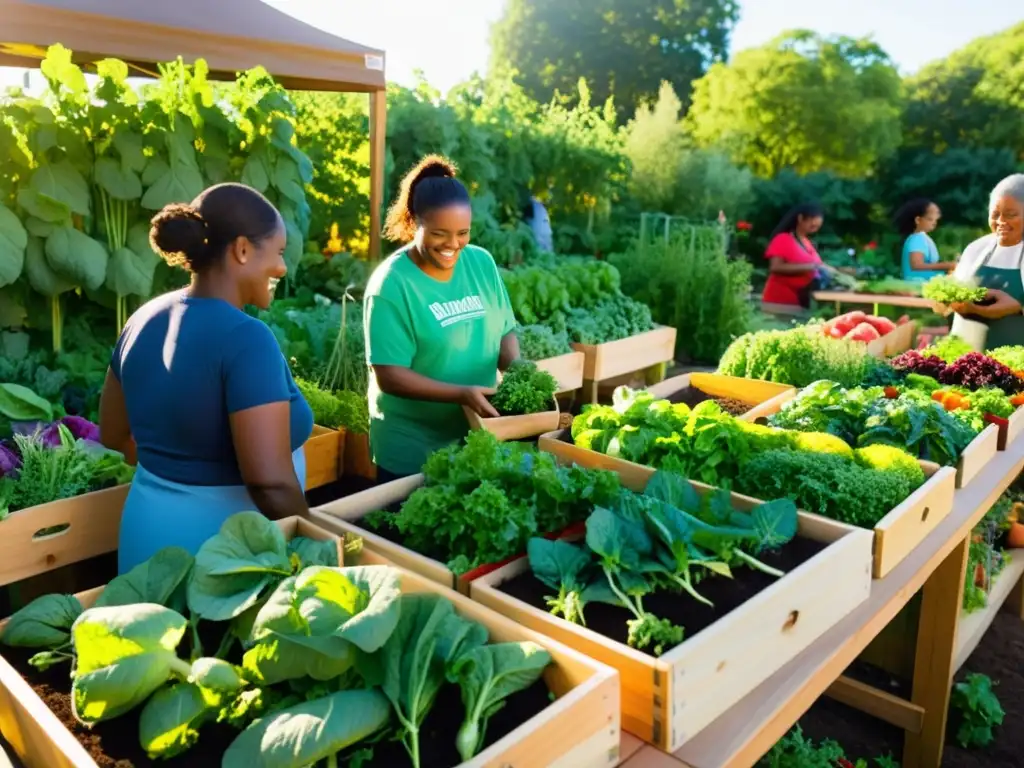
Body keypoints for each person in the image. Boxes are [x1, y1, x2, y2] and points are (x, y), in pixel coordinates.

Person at [99, 183, 312, 574]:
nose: (282, 267)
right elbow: (270, 482)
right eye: (278, 252)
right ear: (243, 249)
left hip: (147, 539)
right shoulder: (247, 339)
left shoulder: (142, 319)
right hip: (223, 559)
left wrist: (176, 480)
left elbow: (113, 433)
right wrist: (316, 545)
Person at [364, 155, 520, 481]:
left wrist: (520, 373)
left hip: (476, 438)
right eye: (439, 233)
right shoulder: (392, 284)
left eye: (463, 233)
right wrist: (461, 394)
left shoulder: (481, 263)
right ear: (413, 221)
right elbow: (389, 375)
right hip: (412, 452)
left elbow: (504, 331)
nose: (453, 244)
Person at [934, 174, 1024, 351]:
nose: (1001, 222)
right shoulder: (976, 249)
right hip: (964, 359)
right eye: (995, 214)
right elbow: (954, 294)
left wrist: (1018, 307)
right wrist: (946, 302)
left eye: (1011, 215)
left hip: (1017, 368)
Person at [761, 203, 837, 308]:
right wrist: (811, 267)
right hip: (779, 301)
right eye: (812, 225)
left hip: (800, 301)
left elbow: (818, 266)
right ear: (801, 218)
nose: (814, 229)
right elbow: (775, 267)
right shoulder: (783, 239)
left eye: (817, 227)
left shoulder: (807, 242)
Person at [896, 198, 957, 281]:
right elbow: (917, 265)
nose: (934, 223)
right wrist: (948, 265)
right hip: (917, 285)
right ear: (918, 220)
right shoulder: (917, 239)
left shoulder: (922, 238)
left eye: (936, 220)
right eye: (930, 219)